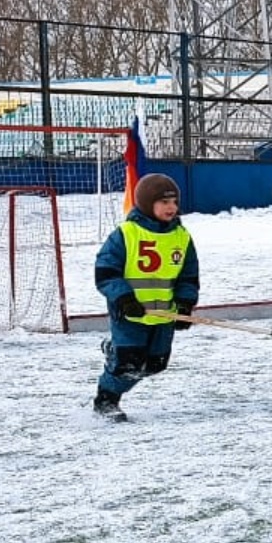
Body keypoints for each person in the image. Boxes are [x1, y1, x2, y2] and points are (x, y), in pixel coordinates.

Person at [92, 174, 199, 422]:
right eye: (163, 202)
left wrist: (184, 304)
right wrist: (124, 299)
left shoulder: (181, 237)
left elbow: (188, 276)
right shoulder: (126, 234)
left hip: (164, 315)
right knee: (128, 364)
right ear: (146, 203)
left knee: (155, 364)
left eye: (174, 201)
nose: (171, 207)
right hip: (130, 314)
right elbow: (105, 272)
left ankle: (112, 352)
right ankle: (106, 400)